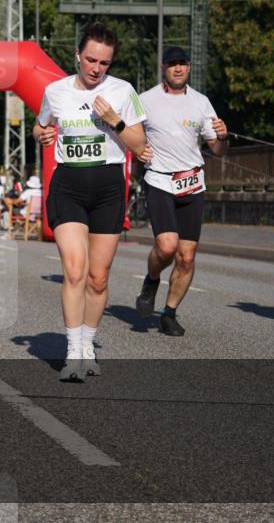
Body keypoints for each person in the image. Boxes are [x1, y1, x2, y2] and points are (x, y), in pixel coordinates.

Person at [32, 23, 147, 381]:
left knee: (98, 278)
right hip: (68, 185)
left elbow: (140, 146)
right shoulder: (55, 90)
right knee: (75, 269)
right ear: (78, 56)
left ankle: (88, 344)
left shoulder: (124, 90)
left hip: (110, 187)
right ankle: (73, 351)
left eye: (105, 63)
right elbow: (39, 127)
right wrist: (42, 133)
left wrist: (115, 120)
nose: (97, 68)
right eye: (91, 60)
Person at [134, 46, 228, 336]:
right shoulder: (145, 99)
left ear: (189, 67)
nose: (178, 69)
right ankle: (151, 280)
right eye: (172, 64)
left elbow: (217, 149)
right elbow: (129, 134)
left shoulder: (201, 102)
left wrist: (222, 136)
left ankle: (170, 313)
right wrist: (138, 149)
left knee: (186, 257)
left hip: (192, 182)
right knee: (166, 246)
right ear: (163, 67)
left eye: (183, 64)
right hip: (160, 180)